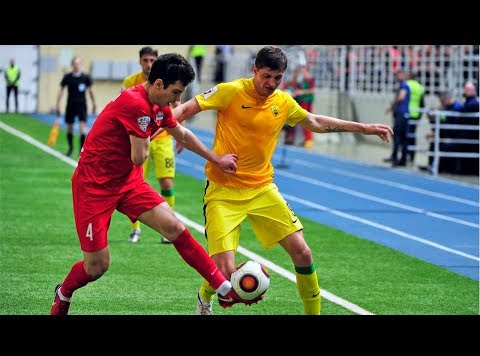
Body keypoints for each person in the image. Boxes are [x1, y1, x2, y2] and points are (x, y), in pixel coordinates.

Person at [172, 45, 393, 315]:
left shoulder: (283, 102)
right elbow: (181, 111)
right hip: (223, 192)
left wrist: (364, 128)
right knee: (225, 274)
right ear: (254, 70)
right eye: (266, 76)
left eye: (278, 78)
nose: (271, 84)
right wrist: (176, 134)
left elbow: (315, 122)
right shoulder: (229, 91)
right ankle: (204, 297)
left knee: (303, 253)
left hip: (263, 189)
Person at [50, 53, 259, 315]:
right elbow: (139, 156)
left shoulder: (157, 104)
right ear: (158, 84)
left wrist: (215, 159)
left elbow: (181, 132)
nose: (177, 100)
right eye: (175, 92)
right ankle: (64, 292)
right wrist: (148, 126)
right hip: (94, 187)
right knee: (97, 266)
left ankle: (225, 290)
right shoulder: (135, 103)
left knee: (175, 227)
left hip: (127, 181)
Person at [122, 46, 180, 244]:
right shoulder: (131, 82)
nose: (149, 64)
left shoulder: (166, 82)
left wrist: (180, 136)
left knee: (167, 184)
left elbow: (177, 107)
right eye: (145, 60)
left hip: (163, 140)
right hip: (140, 140)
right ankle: (135, 230)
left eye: (152, 60)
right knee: (135, 184)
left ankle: (167, 229)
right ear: (140, 61)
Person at [56, 56, 97, 158]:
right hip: (70, 104)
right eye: (75, 63)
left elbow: (91, 91)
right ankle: (70, 148)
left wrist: (94, 104)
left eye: (78, 63)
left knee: (82, 128)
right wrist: (57, 104)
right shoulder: (68, 77)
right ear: (72, 65)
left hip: (82, 105)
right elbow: (61, 90)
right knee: (69, 128)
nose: (77, 65)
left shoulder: (85, 77)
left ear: (81, 65)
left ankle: (81, 151)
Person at [384, 68, 410, 167]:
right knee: (400, 136)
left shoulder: (404, 85)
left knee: (398, 136)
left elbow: (401, 97)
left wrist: (392, 106)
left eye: (398, 75)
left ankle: (398, 158)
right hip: (401, 113)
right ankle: (397, 157)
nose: (397, 77)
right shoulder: (402, 85)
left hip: (402, 114)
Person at [405, 71, 425, 163]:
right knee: (412, 135)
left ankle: (405, 155)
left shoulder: (406, 84)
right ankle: (412, 156)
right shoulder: (420, 87)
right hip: (416, 114)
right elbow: (422, 102)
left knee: (404, 135)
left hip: (406, 113)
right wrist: (420, 115)